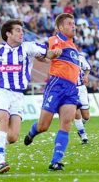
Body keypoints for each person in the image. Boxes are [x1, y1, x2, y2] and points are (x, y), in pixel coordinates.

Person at [0, 19, 62, 174]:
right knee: (3, 118)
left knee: (12, 137)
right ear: (8, 34)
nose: (21, 32)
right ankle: (1, 161)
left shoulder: (28, 47)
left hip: (18, 95)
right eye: (17, 30)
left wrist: (54, 53)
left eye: (22, 30)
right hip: (0, 90)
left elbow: (47, 54)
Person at [23, 13, 80, 171]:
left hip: (71, 88)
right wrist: (53, 53)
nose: (73, 26)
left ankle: (56, 161)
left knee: (66, 123)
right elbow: (45, 55)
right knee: (43, 126)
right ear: (61, 27)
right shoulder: (55, 39)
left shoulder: (73, 46)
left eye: (74, 23)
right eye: (69, 23)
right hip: (56, 85)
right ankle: (32, 132)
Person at [74, 49, 91, 144]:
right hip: (71, 89)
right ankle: (84, 137)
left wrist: (86, 76)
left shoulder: (80, 57)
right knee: (77, 114)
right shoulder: (62, 57)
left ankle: (81, 128)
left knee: (86, 116)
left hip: (81, 89)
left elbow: (87, 68)